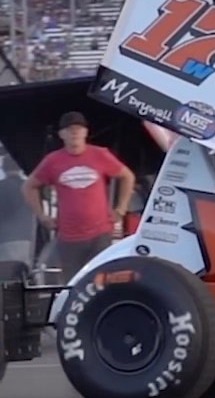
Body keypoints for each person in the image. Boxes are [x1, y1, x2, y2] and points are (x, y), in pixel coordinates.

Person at [22, 111, 135, 283]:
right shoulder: (52, 161)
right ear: (62, 135)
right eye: (69, 129)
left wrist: (121, 208)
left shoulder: (100, 154)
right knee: (73, 283)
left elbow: (127, 176)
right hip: (69, 238)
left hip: (100, 234)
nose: (74, 132)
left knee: (101, 282)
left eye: (78, 128)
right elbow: (28, 187)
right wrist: (42, 216)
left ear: (85, 132)